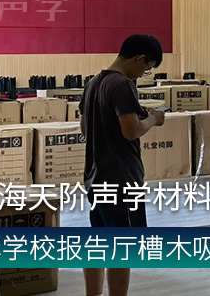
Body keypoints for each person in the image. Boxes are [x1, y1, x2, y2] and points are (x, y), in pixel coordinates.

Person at [81, 34, 165, 296]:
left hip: (95, 178)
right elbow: (131, 131)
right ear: (140, 58)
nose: (143, 74)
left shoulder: (92, 83)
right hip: (121, 180)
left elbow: (84, 128)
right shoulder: (123, 85)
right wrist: (153, 120)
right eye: (147, 68)